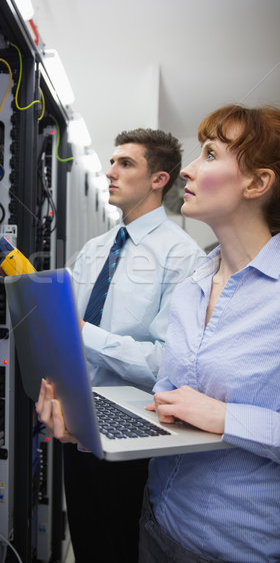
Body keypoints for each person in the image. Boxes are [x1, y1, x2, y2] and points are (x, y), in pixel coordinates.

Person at [37, 104, 280, 563]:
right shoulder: (193, 282)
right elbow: (171, 393)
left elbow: (159, 373)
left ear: (258, 183)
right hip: (153, 501)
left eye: (209, 154)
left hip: (234, 538)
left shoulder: (181, 257)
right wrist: (88, 423)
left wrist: (226, 417)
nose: (191, 166)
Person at [61, 129, 204, 562]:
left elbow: (166, 364)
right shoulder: (94, 248)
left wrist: (84, 331)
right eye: (112, 161)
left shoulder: (184, 257)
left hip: (133, 439)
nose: (110, 172)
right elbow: (66, 330)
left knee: (121, 548)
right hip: (77, 422)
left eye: (126, 163)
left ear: (159, 179)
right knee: (86, 544)